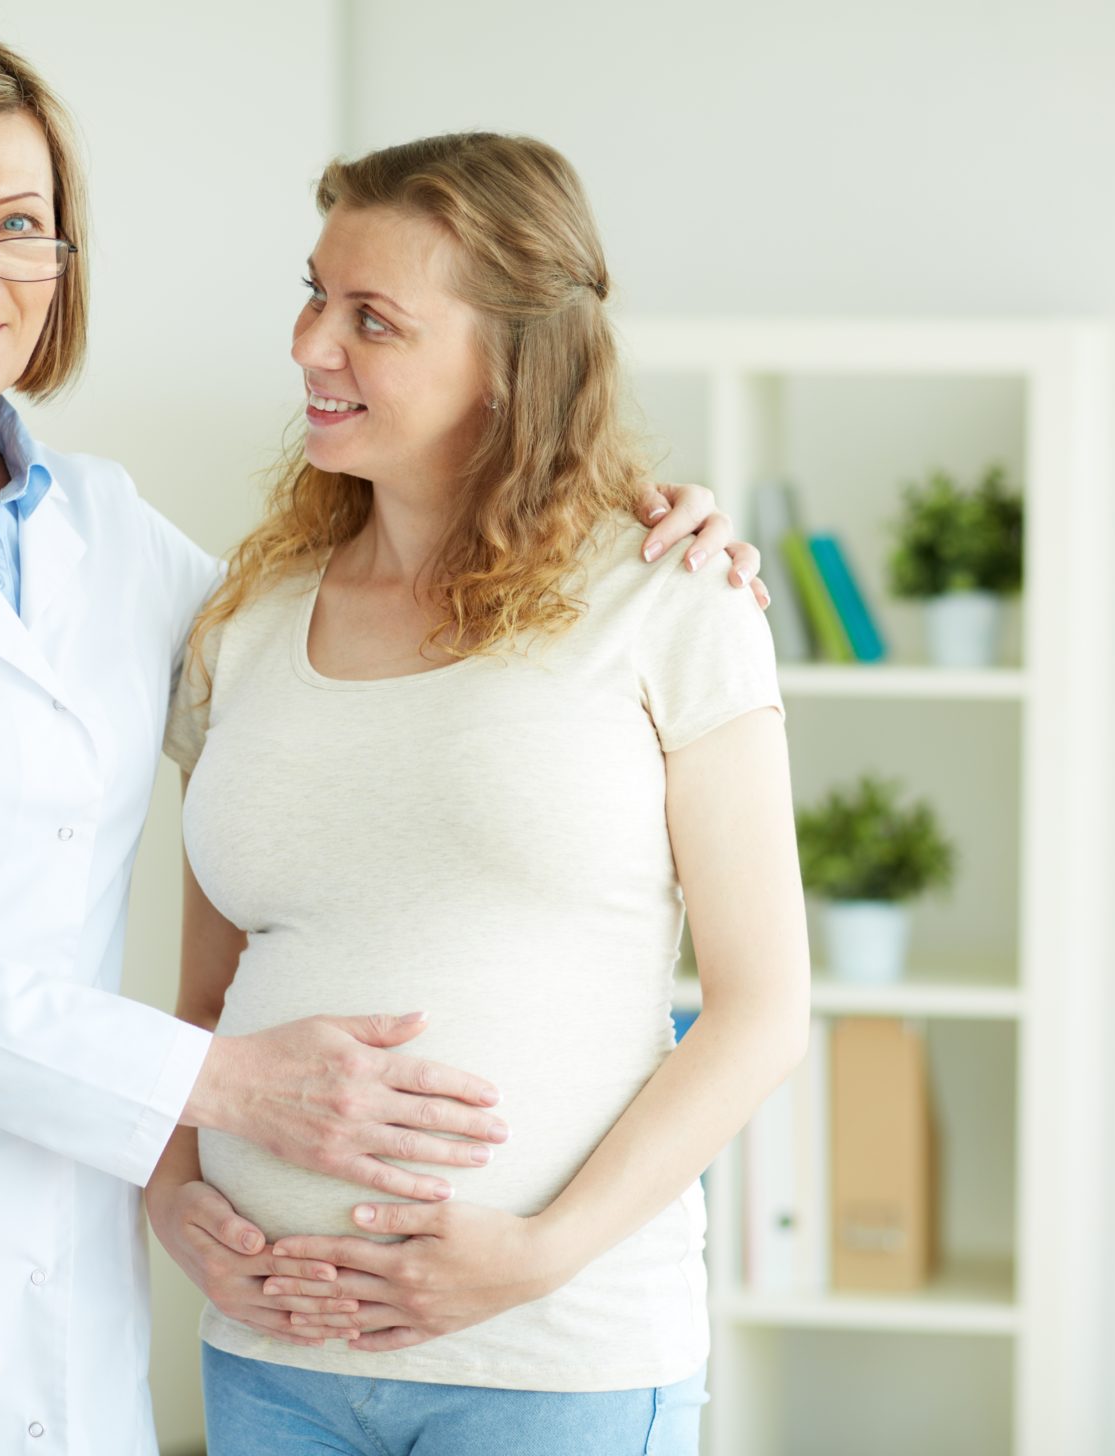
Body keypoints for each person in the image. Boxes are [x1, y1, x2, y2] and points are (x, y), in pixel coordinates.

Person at [0, 31, 755, 1456]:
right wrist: (222, 1090)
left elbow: (370, 670)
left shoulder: (109, 535)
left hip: (67, 1252)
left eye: (21, 228)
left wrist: (629, 519)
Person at [149, 133, 812, 1456]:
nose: (309, 345)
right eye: (315, 293)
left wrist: (538, 1252)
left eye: (372, 319)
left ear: (512, 362)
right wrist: (172, 1199)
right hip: (272, 1356)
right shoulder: (246, 623)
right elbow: (206, 1007)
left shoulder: (670, 598)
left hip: (555, 1360)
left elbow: (761, 1012)